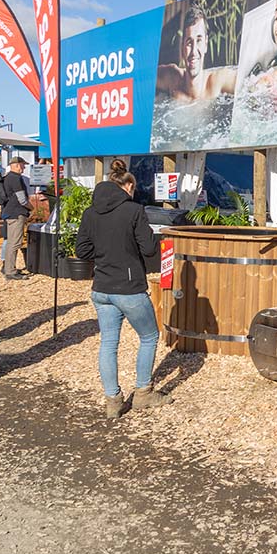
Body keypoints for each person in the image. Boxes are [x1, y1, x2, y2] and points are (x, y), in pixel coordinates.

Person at [75, 158, 168, 420]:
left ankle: (113, 400)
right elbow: (149, 249)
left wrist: (104, 253)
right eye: (134, 187)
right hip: (129, 288)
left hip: (101, 287)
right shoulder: (134, 211)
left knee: (108, 343)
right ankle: (143, 393)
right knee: (149, 337)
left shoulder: (90, 213)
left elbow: (82, 250)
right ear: (127, 186)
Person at [155, 5, 237, 103]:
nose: (194, 51)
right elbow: (141, 76)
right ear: (182, 47)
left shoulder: (217, 81)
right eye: (189, 42)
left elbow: (252, 83)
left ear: (205, 44)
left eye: (199, 40)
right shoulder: (172, 79)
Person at [0, 156, 32, 280]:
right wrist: (32, 208)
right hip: (17, 213)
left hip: (9, 212)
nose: (24, 168)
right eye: (23, 165)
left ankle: (8, 267)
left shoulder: (7, 177)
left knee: (10, 242)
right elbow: (22, 200)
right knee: (15, 243)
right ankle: (11, 271)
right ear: (17, 165)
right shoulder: (16, 178)